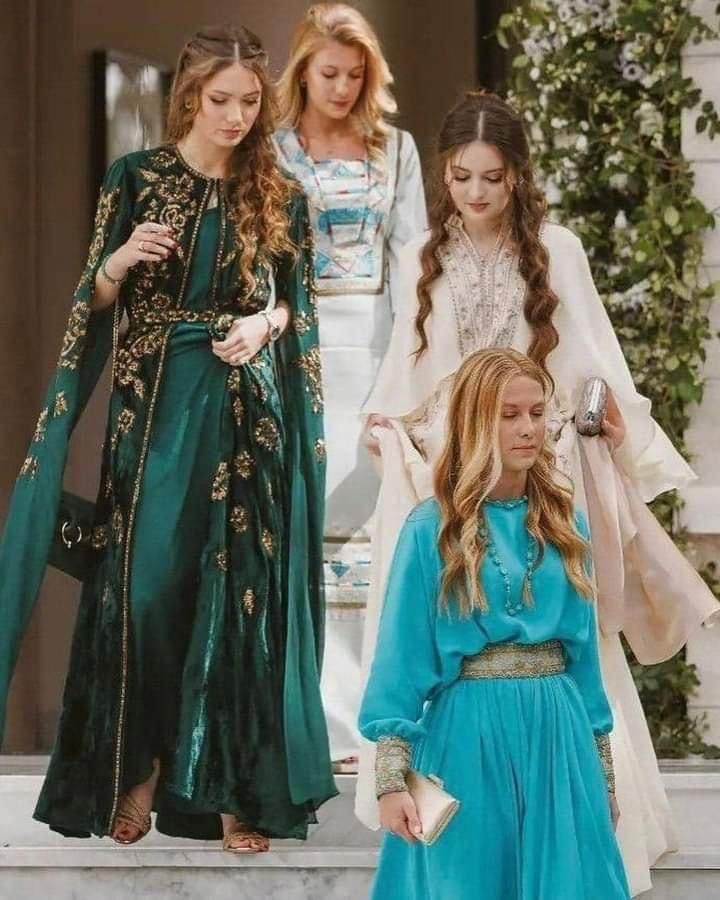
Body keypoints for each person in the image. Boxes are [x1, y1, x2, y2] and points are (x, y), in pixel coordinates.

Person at [357, 91, 718, 896]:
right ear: (443, 175)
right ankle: (418, 781)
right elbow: (408, 375)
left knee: (567, 630)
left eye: (492, 178)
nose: (476, 193)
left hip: (544, 458)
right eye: (461, 177)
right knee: (433, 602)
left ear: (518, 175)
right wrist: (397, 432)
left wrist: (577, 429)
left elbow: (593, 364)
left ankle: (594, 809)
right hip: (450, 464)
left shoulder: (557, 249)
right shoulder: (418, 253)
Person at [0, 25, 336, 852]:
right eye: (220, 99)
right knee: (146, 586)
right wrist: (118, 263)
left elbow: (295, 303)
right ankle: (141, 767)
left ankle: (235, 794)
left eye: (249, 101)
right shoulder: (136, 178)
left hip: (246, 407)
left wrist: (263, 325)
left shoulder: (280, 192)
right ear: (189, 95)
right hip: (154, 409)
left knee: (237, 588)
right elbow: (93, 298)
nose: (235, 115)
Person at [360, 347, 631, 900]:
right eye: (509, 415)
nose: (528, 428)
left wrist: (601, 772)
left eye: (536, 413)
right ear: (474, 422)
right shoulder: (430, 528)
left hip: (559, 737)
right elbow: (400, 660)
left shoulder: (567, 524)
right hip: (466, 735)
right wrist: (390, 780)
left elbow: (585, 661)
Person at [274, 2, 427, 769]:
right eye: (329, 73)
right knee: (304, 535)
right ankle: (313, 727)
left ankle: (372, 724)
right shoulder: (270, 151)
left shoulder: (396, 152)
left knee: (372, 538)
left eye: (355, 75)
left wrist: (404, 382)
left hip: (374, 360)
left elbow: (415, 267)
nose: (341, 88)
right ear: (302, 69)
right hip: (292, 357)